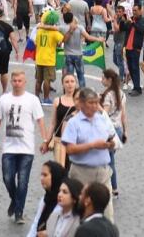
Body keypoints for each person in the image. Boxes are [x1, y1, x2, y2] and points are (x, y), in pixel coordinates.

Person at [0, 70, 44, 225]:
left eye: (20, 81)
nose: (17, 83)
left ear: (25, 82)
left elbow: (40, 120)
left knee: (23, 181)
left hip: (27, 148)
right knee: (7, 178)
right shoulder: (4, 99)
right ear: (11, 82)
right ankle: (15, 200)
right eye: (14, 81)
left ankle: (19, 212)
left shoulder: (32, 100)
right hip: (9, 147)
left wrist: (45, 140)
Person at [59, 89, 115, 221]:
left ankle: (107, 230)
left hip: (103, 172)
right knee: (81, 210)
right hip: (81, 172)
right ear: (82, 103)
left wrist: (110, 144)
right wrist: (92, 145)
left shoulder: (102, 119)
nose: (95, 106)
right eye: (91, 102)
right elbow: (69, 149)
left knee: (108, 212)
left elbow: (112, 139)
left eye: (96, 102)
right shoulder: (73, 122)